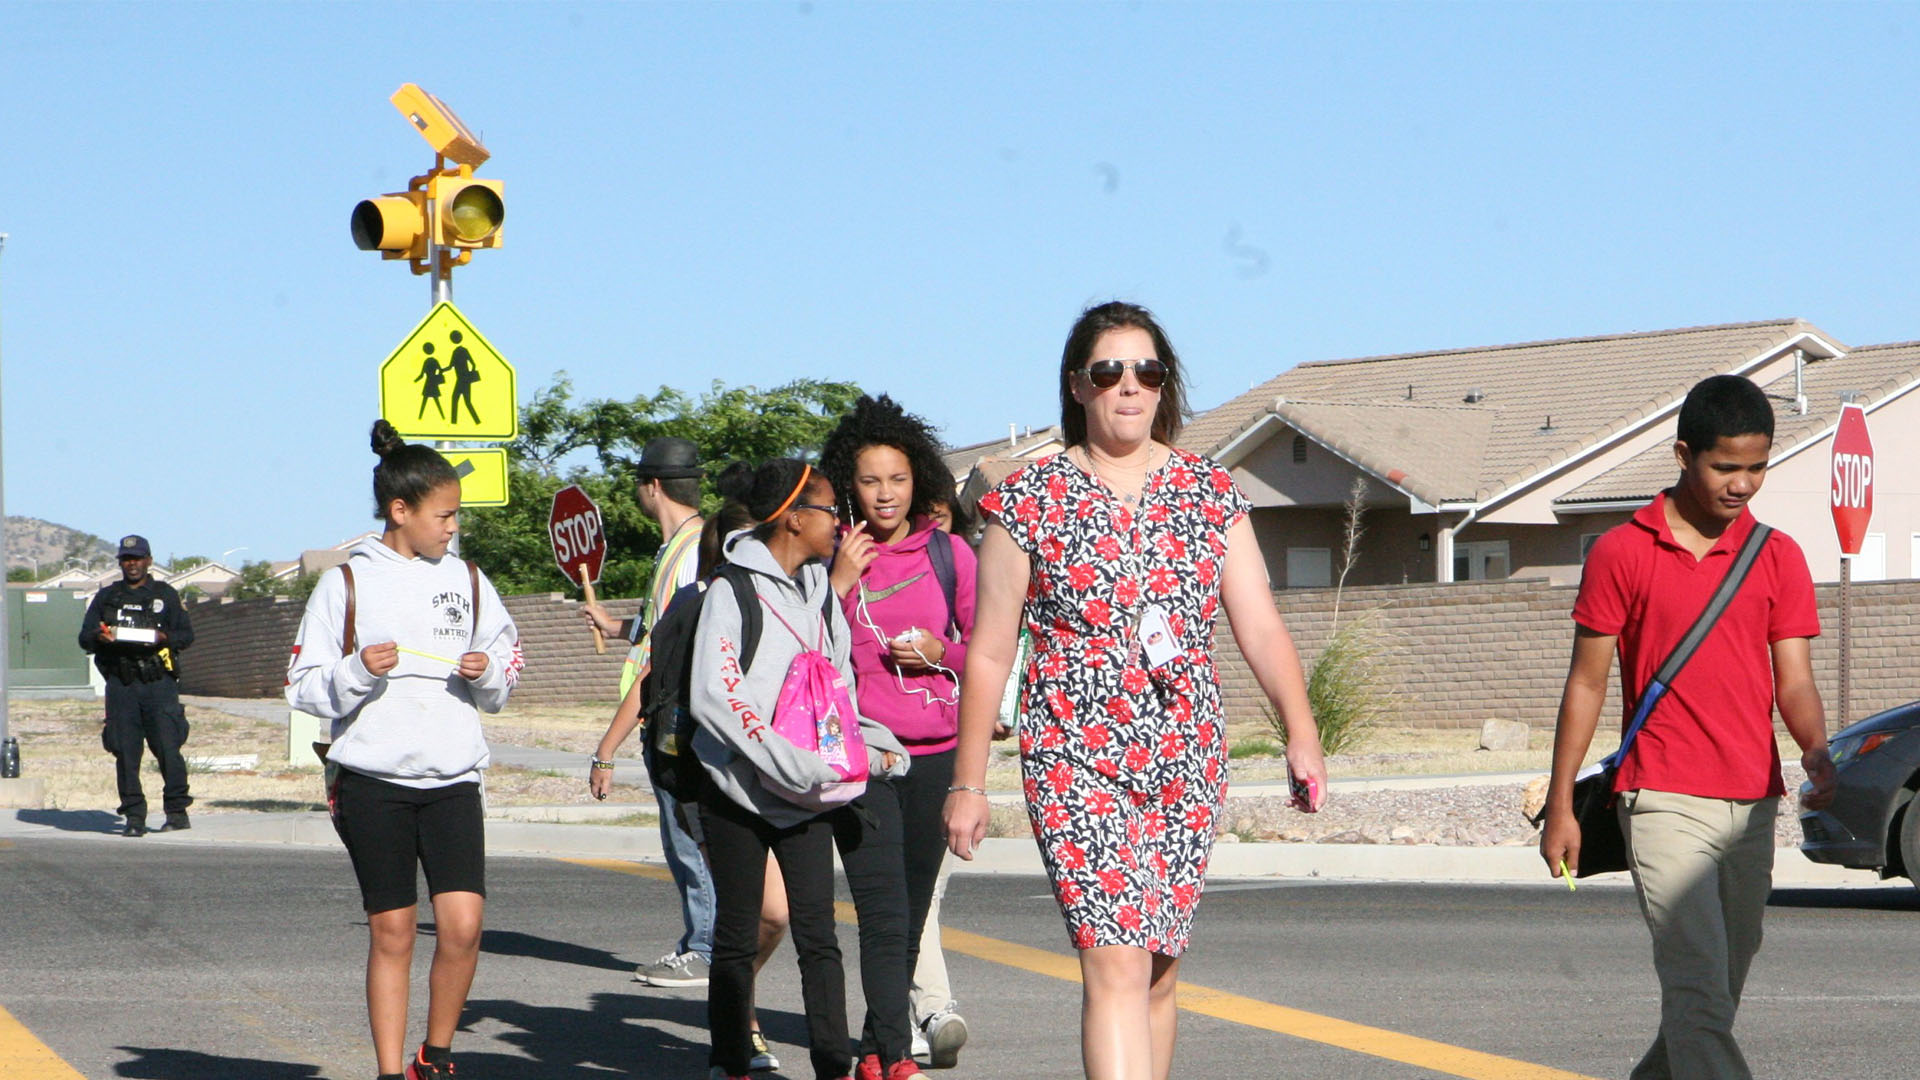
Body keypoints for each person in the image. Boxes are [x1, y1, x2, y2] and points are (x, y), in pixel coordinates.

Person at [944, 301, 1327, 1080]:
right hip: (1074, 754)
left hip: (1185, 755)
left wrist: (1302, 730)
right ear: (1077, 386)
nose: (1129, 387)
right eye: (1109, 371)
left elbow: (1259, 626)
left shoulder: (1209, 493)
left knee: (1157, 968)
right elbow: (988, 653)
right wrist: (968, 780)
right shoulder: (1026, 500)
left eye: (1147, 372)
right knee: (1114, 962)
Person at [1539, 375, 1837, 1080]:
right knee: (1699, 995)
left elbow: (1792, 678)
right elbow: (1585, 682)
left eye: (1757, 467)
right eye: (1725, 466)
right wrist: (1560, 807)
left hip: (1752, 800)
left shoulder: (1778, 555)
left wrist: (1817, 752)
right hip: (1663, 796)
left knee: (1711, 1001)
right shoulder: (1621, 552)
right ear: (1683, 454)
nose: (1743, 484)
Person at [285, 420, 523, 1080]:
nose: (452, 528)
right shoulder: (347, 583)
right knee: (392, 932)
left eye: (456, 516)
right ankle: (391, 1071)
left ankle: (435, 1055)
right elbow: (302, 686)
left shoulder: (469, 580)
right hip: (372, 782)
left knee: (464, 928)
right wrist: (358, 670)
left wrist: (489, 672)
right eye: (443, 515)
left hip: (452, 780)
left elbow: (509, 661)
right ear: (401, 510)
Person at [689, 459, 913, 1080]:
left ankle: (832, 1066)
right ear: (792, 519)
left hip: (806, 793)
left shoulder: (819, 588)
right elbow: (716, 694)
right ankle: (730, 1059)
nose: (841, 522)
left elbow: (834, 687)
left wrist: (872, 743)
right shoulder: (730, 590)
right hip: (738, 789)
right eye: (828, 511)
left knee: (819, 936)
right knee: (737, 937)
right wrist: (792, 762)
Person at [588, 499, 792, 1072]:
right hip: (704, 782)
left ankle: (731, 1000)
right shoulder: (692, 603)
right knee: (748, 909)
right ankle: (740, 1032)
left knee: (774, 915)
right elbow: (651, 676)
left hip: (772, 781)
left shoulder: (783, 601)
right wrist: (606, 752)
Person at [820, 395, 976, 1073]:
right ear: (848, 485)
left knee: (911, 918)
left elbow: (991, 653)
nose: (885, 494)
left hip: (938, 758)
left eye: (898, 478)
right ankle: (889, 1054)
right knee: (882, 915)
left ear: (920, 482)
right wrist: (839, 581)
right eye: (870, 480)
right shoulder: (828, 557)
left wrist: (943, 654)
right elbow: (802, 653)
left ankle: (875, 1048)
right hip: (863, 758)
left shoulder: (951, 556)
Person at [582, 436, 723, 991]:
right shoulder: (680, 547)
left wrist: (605, 748)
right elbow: (662, 629)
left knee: (689, 840)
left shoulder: (690, 551)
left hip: (675, 720)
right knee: (683, 837)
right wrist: (617, 626)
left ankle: (707, 947)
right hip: (668, 716)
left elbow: (670, 654)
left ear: (653, 486)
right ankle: (703, 943)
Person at [79, 534, 196, 837]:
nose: (132, 564)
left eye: (138, 559)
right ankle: (134, 816)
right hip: (122, 683)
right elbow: (84, 638)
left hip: (158, 683)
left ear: (149, 561)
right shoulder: (107, 597)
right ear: (120, 562)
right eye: (127, 559)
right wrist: (99, 637)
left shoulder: (165, 594)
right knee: (126, 753)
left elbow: (186, 635)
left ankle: (176, 811)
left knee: (168, 748)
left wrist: (163, 638)